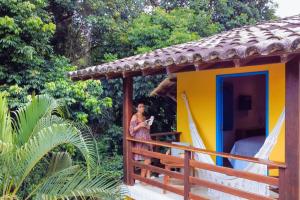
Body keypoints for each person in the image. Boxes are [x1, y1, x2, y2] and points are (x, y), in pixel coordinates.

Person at [129, 102, 152, 180]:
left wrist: (148, 125)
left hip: (146, 139)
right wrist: (139, 125)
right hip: (139, 140)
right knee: (146, 160)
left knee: (148, 159)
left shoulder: (144, 117)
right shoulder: (134, 117)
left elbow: (146, 129)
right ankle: (143, 179)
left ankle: (148, 178)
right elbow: (131, 130)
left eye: (143, 106)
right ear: (137, 108)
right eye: (140, 106)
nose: (142, 108)